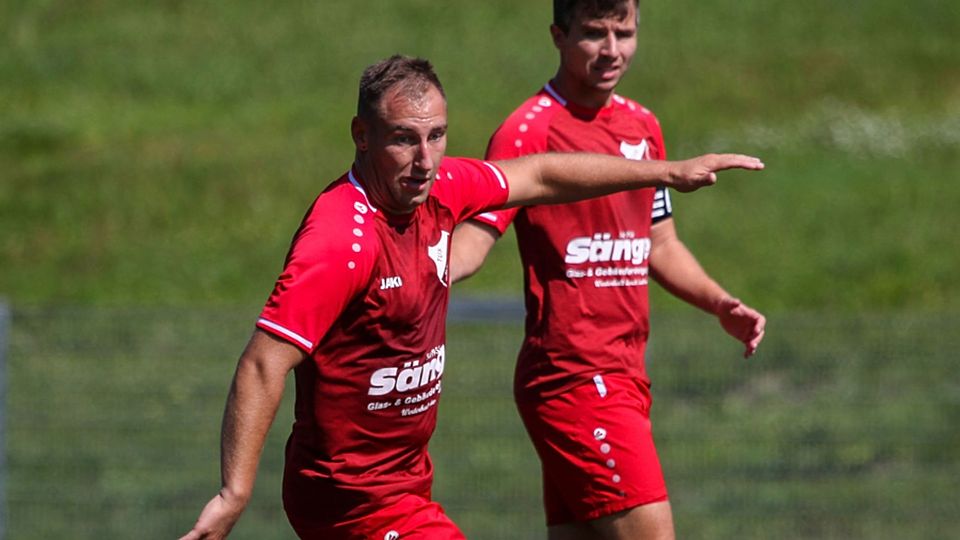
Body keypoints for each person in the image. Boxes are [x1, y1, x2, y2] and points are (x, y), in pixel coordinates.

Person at [180, 54, 763, 540]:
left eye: (436, 136)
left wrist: (667, 173)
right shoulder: (340, 239)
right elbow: (264, 361)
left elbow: (538, 176)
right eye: (404, 139)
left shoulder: (443, 187)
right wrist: (234, 495)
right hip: (351, 497)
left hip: (406, 482)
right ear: (362, 136)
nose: (425, 160)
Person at [449, 1, 766, 539]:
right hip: (572, 377)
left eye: (625, 32)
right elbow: (475, 241)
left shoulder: (643, 125)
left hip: (625, 375)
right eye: (595, 34)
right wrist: (406, 276)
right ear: (558, 34)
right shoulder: (527, 131)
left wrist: (719, 302)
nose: (612, 50)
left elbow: (659, 243)